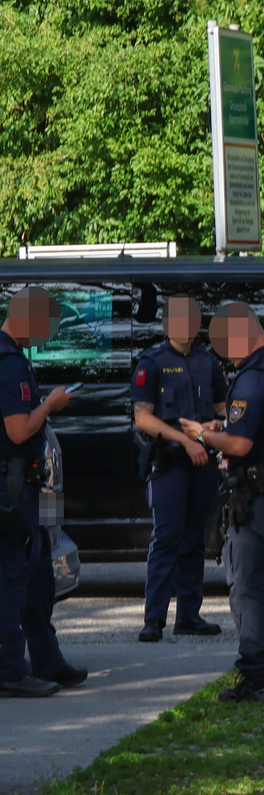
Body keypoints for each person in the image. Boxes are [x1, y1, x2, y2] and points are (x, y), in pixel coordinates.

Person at [181, 303, 264, 702]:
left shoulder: (253, 377)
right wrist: (223, 426)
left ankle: (255, 676)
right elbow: (263, 425)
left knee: (249, 585)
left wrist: (204, 435)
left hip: (258, 493)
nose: (224, 355)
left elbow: (241, 444)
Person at [0, 287, 87, 698]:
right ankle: (11, 672)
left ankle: (49, 662)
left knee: (38, 580)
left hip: (32, 487)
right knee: (13, 580)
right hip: (13, 490)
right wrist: (50, 403)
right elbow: (19, 430)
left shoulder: (15, 358)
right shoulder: (8, 362)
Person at [131, 295, 227, 642]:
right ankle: (152, 620)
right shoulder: (152, 361)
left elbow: (223, 408)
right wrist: (185, 440)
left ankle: (188, 616)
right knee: (167, 539)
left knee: (195, 540)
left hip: (203, 463)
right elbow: (143, 417)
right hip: (169, 461)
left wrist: (218, 426)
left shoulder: (208, 362)